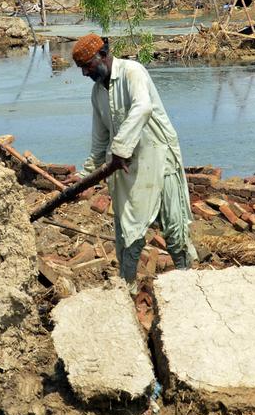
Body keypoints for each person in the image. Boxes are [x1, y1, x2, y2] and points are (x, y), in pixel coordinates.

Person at [71, 33, 196, 290]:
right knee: (128, 235)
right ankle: (126, 291)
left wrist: (120, 149)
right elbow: (99, 141)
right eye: (82, 68)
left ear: (103, 55)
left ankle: (189, 286)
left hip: (160, 159)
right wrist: (84, 176)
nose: (85, 73)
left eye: (87, 66)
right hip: (128, 167)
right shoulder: (97, 93)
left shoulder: (132, 72)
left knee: (175, 231)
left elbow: (143, 107)